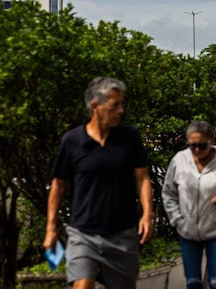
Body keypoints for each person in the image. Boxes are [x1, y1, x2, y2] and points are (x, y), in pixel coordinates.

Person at [44, 77, 153, 289]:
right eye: (115, 105)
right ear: (95, 106)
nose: (121, 110)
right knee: (82, 285)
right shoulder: (73, 141)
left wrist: (147, 214)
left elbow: (142, 178)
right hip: (83, 233)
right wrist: (50, 229)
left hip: (122, 234)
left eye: (122, 104)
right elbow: (58, 185)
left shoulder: (129, 138)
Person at [162, 121, 216, 289]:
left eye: (202, 145)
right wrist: (177, 219)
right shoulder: (179, 160)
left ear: (211, 140)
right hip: (187, 231)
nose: (197, 150)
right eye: (192, 146)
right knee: (193, 282)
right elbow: (168, 193)